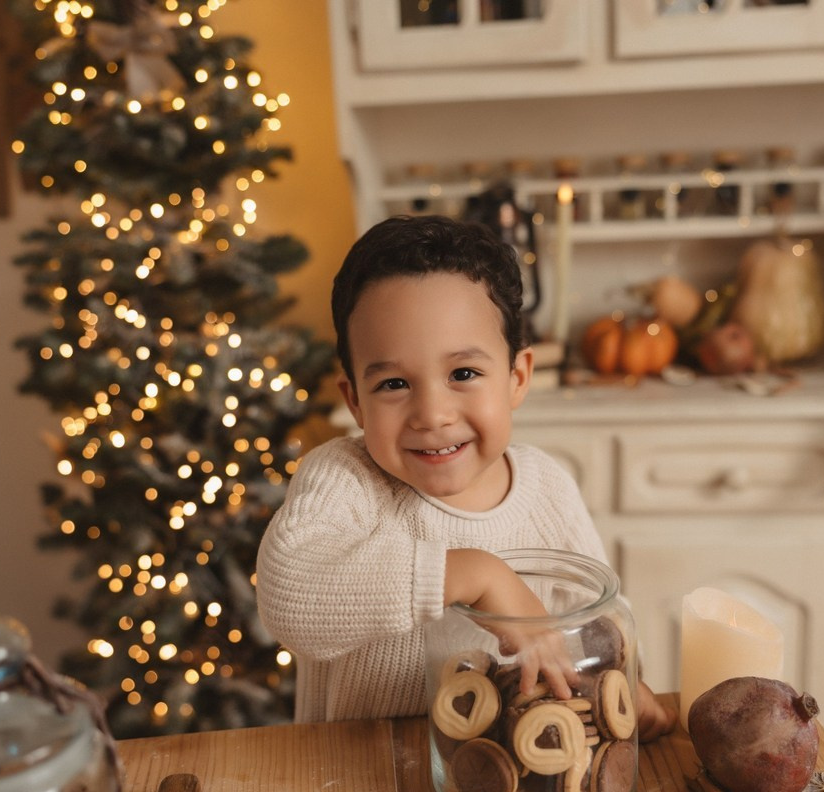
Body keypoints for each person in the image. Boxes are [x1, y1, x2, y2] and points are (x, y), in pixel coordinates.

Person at [256, 215, 674, 740]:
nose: (432, 413)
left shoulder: (546, 486)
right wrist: (477, 575)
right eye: (393, 383)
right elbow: (292, 601)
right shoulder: (346, 479)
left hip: (505, 782)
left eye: (464, 374)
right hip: (353, 781)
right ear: (354, 400)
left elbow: (597, 618)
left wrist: (623, 677)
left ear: (517, 378)